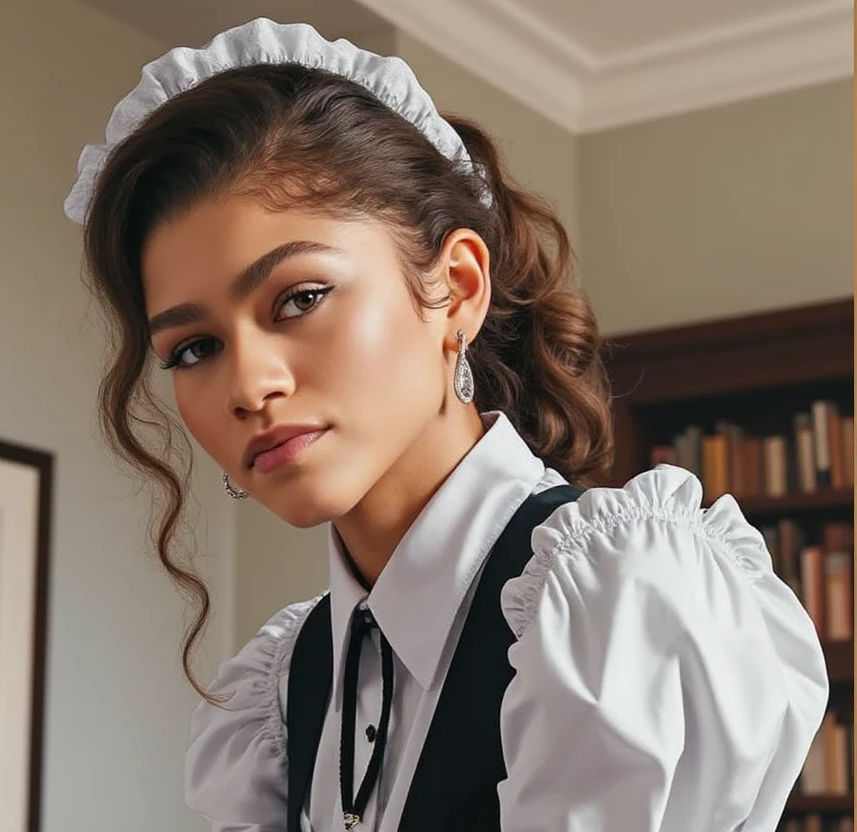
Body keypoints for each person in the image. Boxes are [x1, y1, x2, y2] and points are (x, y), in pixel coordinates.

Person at [64, 17, 829, 832]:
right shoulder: (281, 698)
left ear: (457, 289)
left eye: (299, 299)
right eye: (195, 348)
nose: (249, 385)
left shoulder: (621, 600)